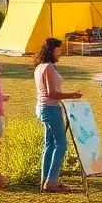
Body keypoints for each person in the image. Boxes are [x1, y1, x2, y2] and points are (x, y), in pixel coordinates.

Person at [33, 38, 82, 194]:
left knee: (50, 145)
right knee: (61, 144)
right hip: (50, 108)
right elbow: (52, 93)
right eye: (58, 50)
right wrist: (71, 95)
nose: (60, 52)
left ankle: (46, 180)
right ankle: (51, 181)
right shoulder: (48, 67)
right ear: (51, 51)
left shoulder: (40, 67)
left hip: (44, 108)